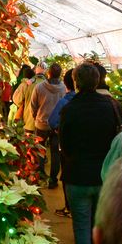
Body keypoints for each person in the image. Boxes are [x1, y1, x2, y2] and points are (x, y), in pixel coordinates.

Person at [58, 63, 122, 244]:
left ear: (76, 82)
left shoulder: (70, 108)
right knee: (98, 226)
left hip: (77, 176)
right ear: (98, 81)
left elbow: (64, 144)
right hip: (103, 176)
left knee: (81, 228)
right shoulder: (110, 106)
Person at [29, 63, 67, 187]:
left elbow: (33, 105)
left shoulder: (39, 87)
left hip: (41, 124)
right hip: (56, 126)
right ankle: (53, 180)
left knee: (40, 151)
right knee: (55, 153)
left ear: (48, 73)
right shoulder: (63, 88)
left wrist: (36, 117)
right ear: (60, 74)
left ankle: (40, 177)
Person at [48, 67, 76, 217]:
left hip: (66, 145)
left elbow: (52, 121)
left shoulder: (65, 102)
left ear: (67, 84)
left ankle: (69, 207)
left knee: (67, 175)